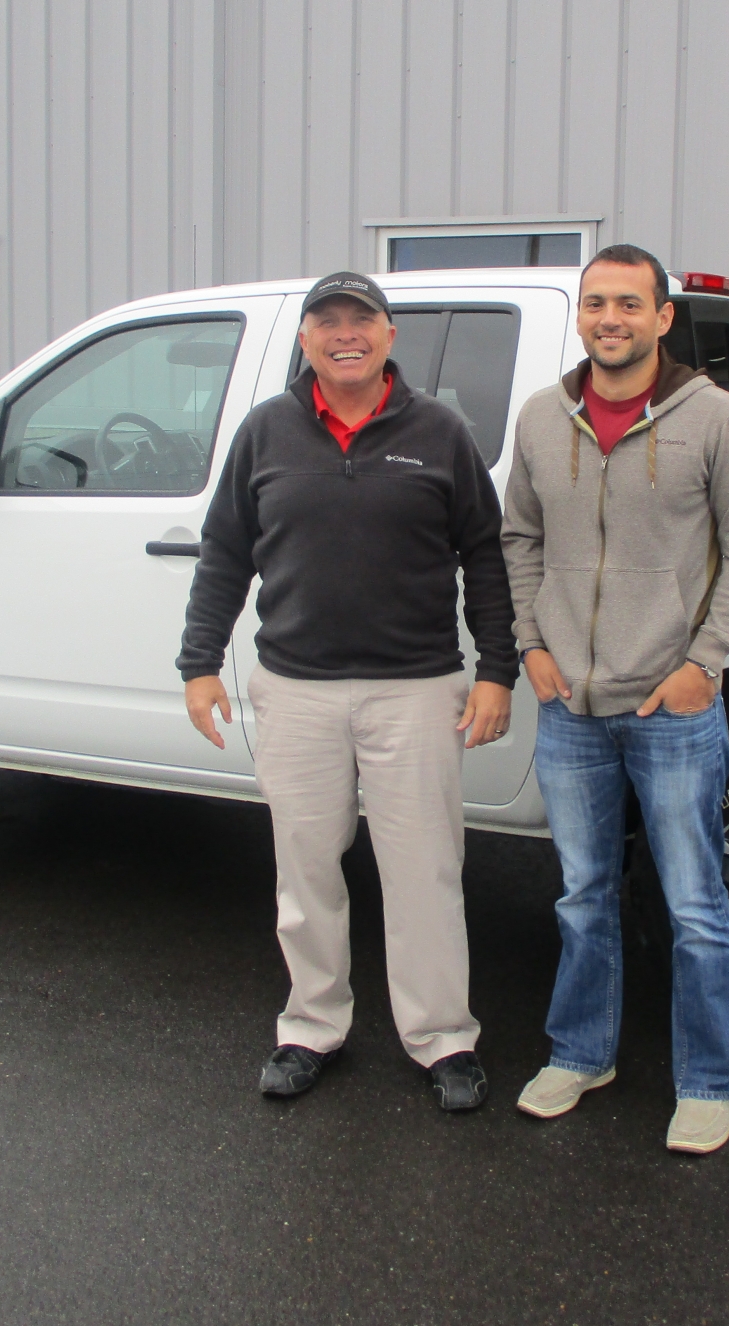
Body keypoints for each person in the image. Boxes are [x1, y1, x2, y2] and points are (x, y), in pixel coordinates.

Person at [177, 270, 517, 1111]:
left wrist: (497, 670)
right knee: (305, 873)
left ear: (389, 334)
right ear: (306, 340)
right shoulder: (266, 432)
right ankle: (310, 1027)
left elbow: (485, 555)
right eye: (326, 322)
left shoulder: (440, 433)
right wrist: (199, 663)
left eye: (360, 320)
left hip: (417, 691)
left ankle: (443, 1039)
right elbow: (225, 552)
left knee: (425, 874)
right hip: (297, 691)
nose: (345, 335)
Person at [501, 243, 729, 1154]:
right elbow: (519, 540)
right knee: (582, 896)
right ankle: (581, 1054)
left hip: (672, 708)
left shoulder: (717, 420)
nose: (609, 319)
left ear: (662, 318)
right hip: (570, 711)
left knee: (695, 905)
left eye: (628, 303)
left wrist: (704, 662)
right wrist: (532, 645)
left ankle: (709, 1082)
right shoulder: (543, 418)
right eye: (595, 304)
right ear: (580, 316)